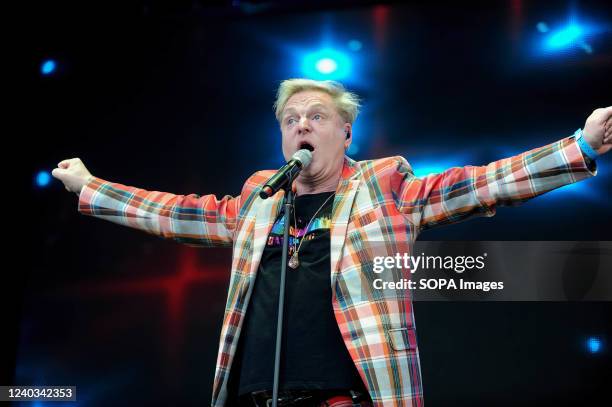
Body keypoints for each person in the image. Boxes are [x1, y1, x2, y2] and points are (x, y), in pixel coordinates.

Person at [52, 79, 611, 407]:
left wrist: (577, 146)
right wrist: (92, 188)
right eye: (291, 118)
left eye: (316, 117)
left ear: (345, 133)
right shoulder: (260, 200)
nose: (301, 125)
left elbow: (481, 184)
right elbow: (178, 214)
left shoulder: (384, 188)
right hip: (253, 398)